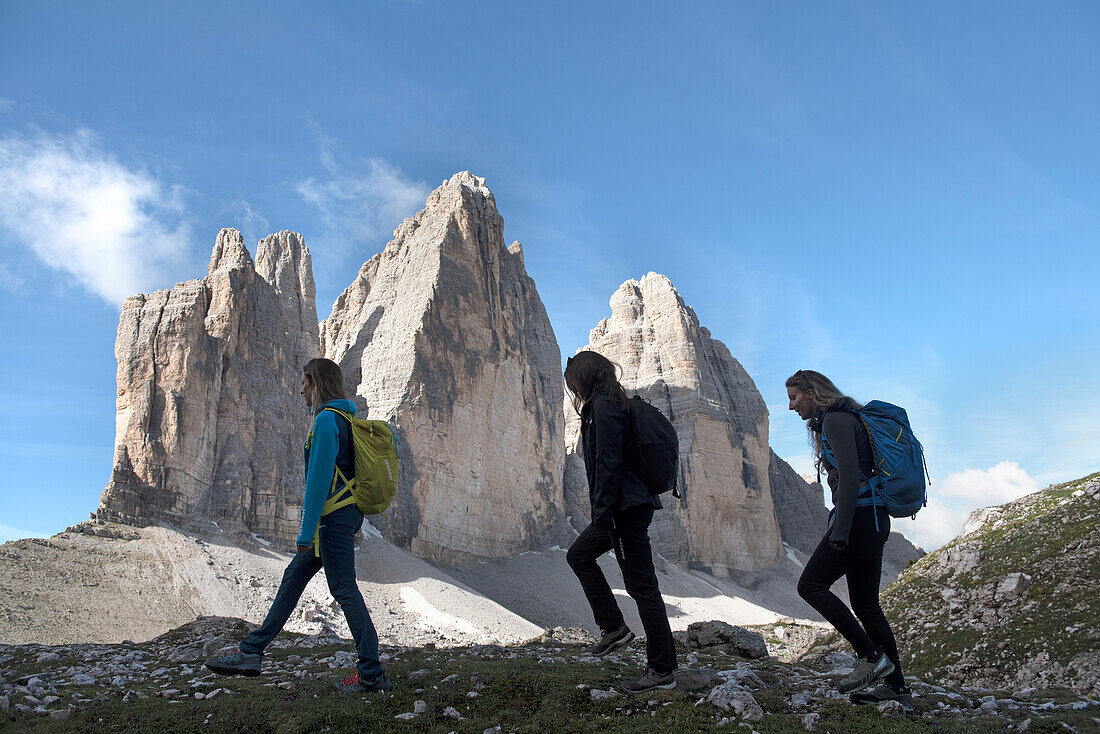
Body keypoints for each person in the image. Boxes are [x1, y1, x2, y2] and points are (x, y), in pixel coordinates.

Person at [205, 358, 390, 693]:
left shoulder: (325, 421)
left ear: (316, 382)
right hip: (343, 515)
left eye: (304, 381)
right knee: (294, 578)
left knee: (344, 589)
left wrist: (305, 532)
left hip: (332, 518)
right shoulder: (345, 419)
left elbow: (318, 482)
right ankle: (251, 652)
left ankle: (371, 674)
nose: (300, 388)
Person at [787, 369, 911, 708]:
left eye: (794, 397)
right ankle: (897, 689)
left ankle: (869, 655)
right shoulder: (844, 418)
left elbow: (852, 474)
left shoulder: (835, 420)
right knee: (867, 604)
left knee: (810, 586)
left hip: (858, 518)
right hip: (873, 519)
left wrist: (840, 530)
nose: (790, 406)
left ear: (812, 393)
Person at [564, 350, 678, 694]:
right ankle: (614, 628)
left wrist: (602, 512)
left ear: (584, 377)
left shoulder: (602, 406)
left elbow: (607, 462)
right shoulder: (614, 401)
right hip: (627, 505)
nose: (572, 389)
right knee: (579, 555)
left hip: (622, 510)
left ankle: (660, 670)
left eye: (573, 382)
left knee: (642, 587)